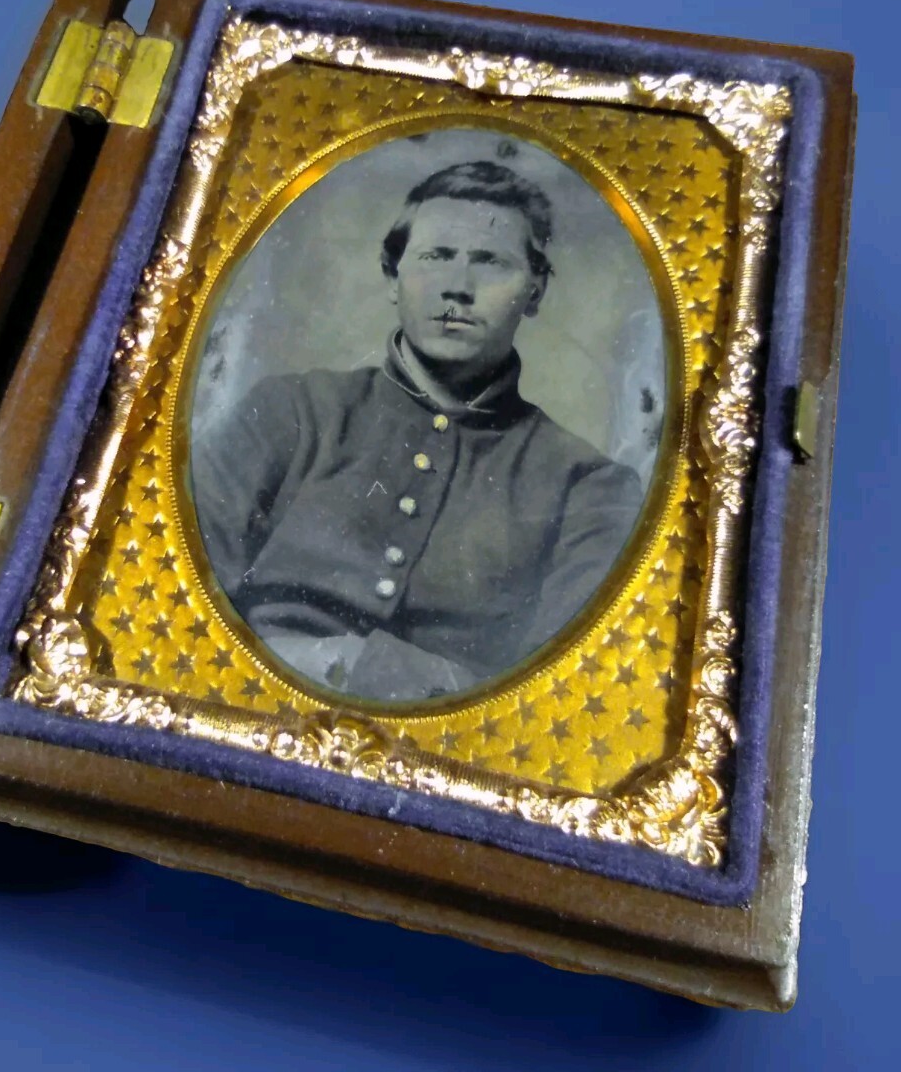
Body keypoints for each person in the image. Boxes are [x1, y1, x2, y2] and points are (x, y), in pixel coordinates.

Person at [192, 160, 642, 702]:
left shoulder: (588, 486)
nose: (458, 287)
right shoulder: (291, 411)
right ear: (392, 275)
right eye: (436, 257)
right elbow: (184, 593)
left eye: (491, 262)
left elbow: (558, 693)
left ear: (536, 290)